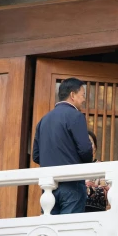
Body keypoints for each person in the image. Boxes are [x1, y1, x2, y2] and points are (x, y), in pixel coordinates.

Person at [32, 77, 93, 215]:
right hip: (72, 184)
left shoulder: (43, 120)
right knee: (69, 232)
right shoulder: (76, 116)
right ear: (72, 95)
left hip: (48, 187)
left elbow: (36, 155)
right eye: (82, 95)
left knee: (51, 233)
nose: (84, 100)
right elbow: (85, 149)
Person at [85, 130, 109, 213]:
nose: (86, 145)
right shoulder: (73, 166)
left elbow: (106, 191)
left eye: (89, 142)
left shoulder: (102, 166)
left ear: (95, 147)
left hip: (97, 212)